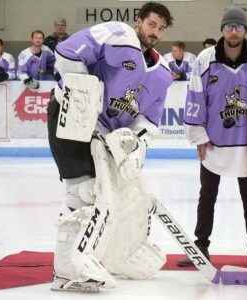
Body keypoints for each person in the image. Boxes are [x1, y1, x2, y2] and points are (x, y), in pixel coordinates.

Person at [48, 2, 173, 293]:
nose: (155, 32)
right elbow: (67, 53)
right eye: (152, 24)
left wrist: (133, 141)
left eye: (161, 28)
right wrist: (83, 98)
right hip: (72, 116)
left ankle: (114, 255)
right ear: (138, 20)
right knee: (83, 191)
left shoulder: (162, 73)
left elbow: (148, 118)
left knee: (121, 197)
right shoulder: (116, 34)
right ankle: (67, 269)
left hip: (105, 135)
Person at [179, 6, 247, 270]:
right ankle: (201, 246)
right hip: (214, 142)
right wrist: (198, 135)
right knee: (207, 195)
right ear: (222, 30)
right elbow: (195, 96)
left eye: (238, 26)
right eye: (229, 26)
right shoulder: (206, 59)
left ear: (245, 30)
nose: (233, 30)